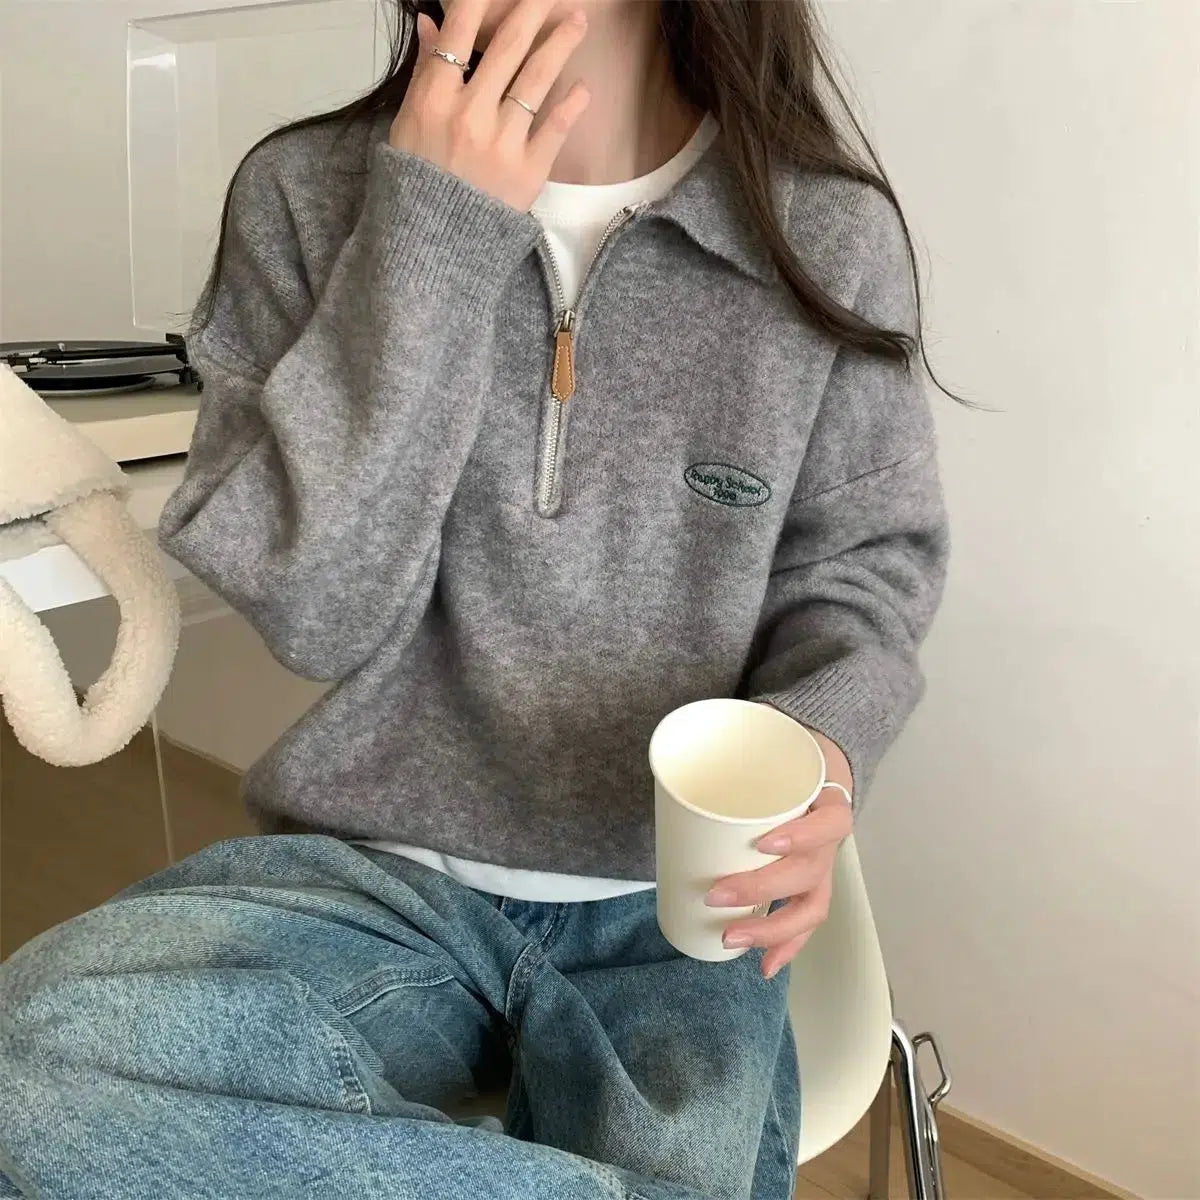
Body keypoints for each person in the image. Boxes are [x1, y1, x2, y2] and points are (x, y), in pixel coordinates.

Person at [0, 0, 950, 1195]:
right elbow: (318, 615)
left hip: (680, 910)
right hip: (371, 873)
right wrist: (431, 232)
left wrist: (824, 747)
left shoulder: (822, 229)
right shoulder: (307, 193)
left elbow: (863, 570)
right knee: (35, 1075)